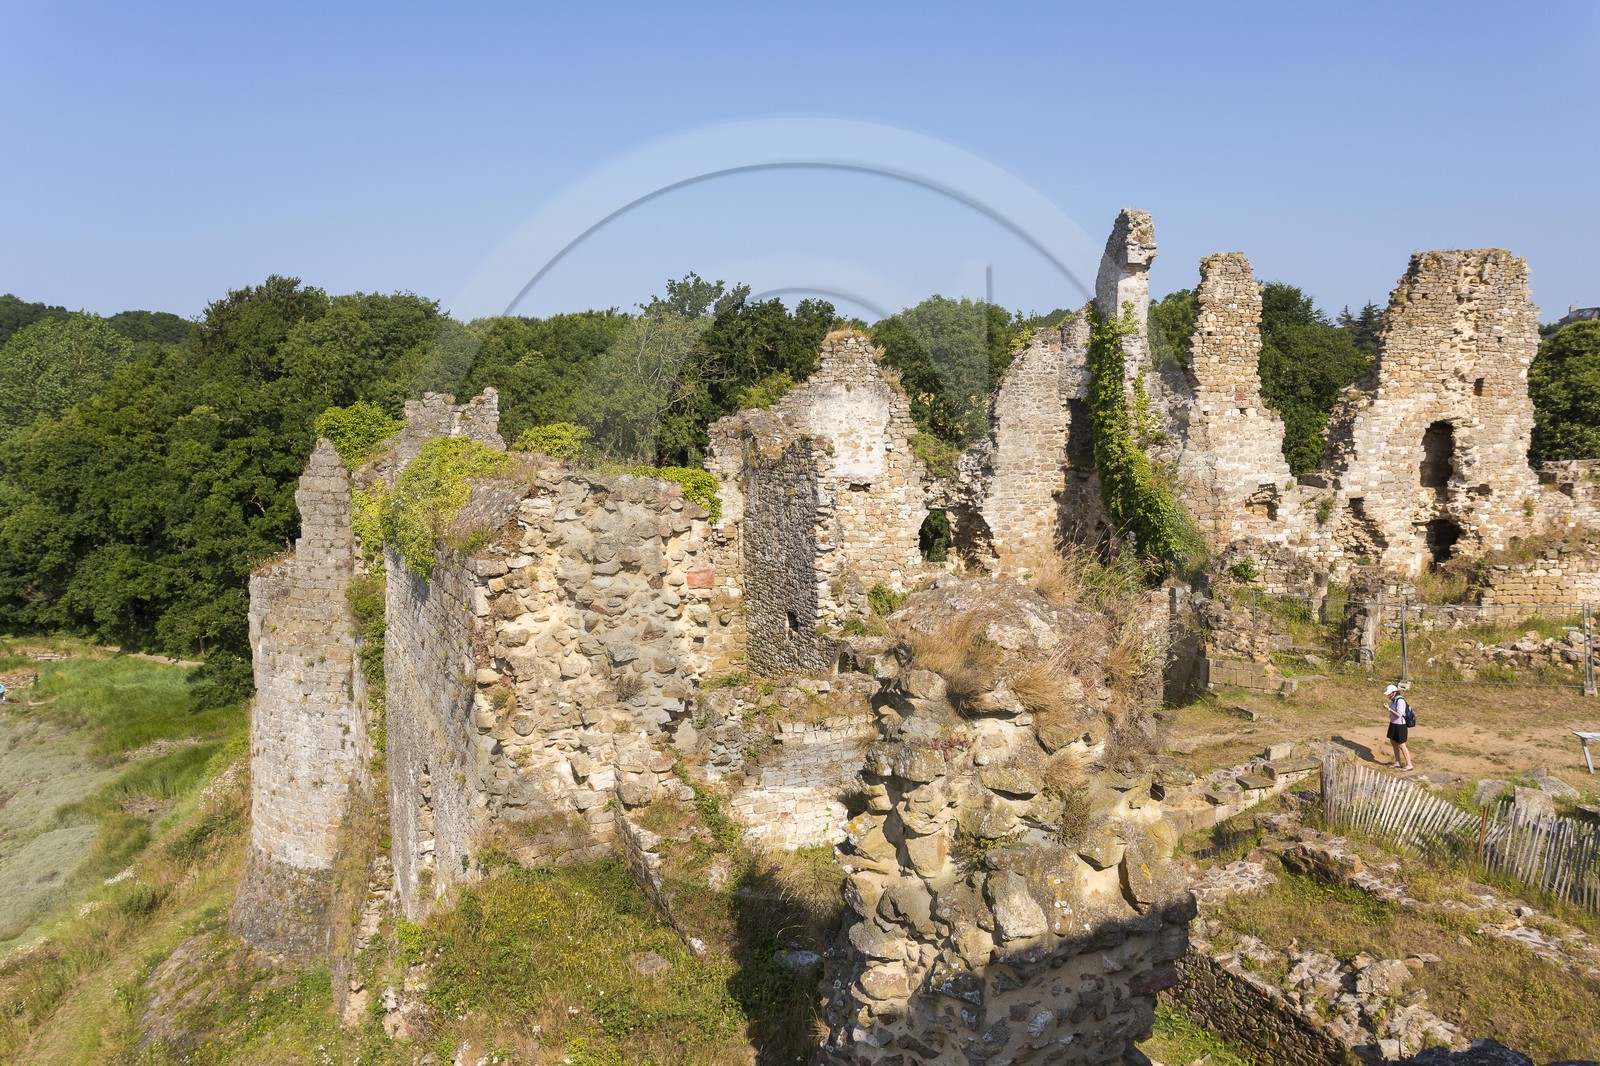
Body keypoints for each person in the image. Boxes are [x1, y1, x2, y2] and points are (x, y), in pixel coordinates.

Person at [1384, 684, 1412, 771]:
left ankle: (1409, 764)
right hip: (1394, 724)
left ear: (1394, 692)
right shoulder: (1393, 700)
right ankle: (1398, 762)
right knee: (1393, 741)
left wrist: (1388, 709)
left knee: (1401, 745)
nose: (1388, 696)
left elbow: (1399, 714)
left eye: (1389, 694)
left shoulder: (1400, 701)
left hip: (1400, 726)